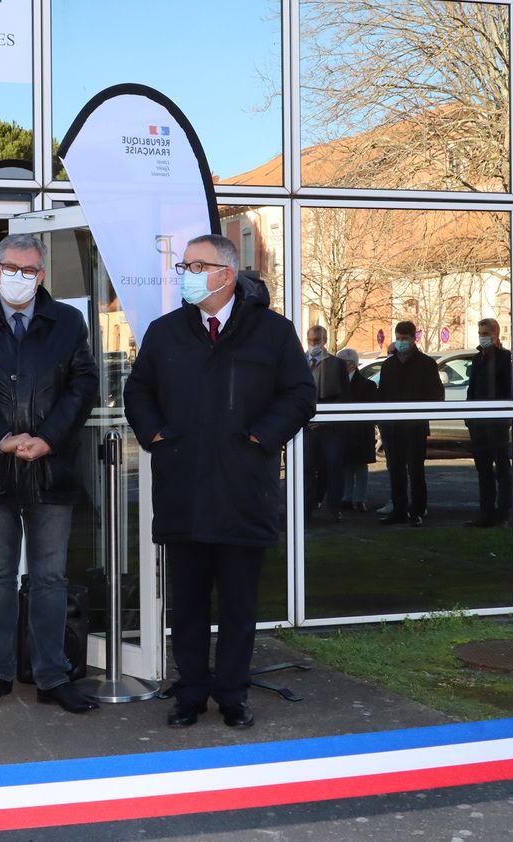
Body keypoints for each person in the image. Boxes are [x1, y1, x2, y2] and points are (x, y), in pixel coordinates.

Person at [123, 234, 313, 730]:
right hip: (183, 489)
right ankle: (190, 693)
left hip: (241, 490)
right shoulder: (166, 332)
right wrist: (156, 434)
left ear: (226, 275)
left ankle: (232, 694)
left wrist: (259, 438)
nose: (185, 274)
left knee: (238, 605)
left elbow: (300, 394)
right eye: (184, 266)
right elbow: (138, 390)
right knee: (186, 604)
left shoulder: (272, 332)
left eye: (195, 266)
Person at [0, 234, 99, 714]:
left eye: (29, 270)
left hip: (51, 469)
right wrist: (2, 438)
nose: (19, 277)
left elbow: (83, 385)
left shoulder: (67, 321)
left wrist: (47, 438)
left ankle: (52, 675)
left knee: (49, 578)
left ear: (41, 274)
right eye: (11, 268)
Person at [377, 321, 442, 526]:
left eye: (405, 338)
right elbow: (382, 394)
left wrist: (420, 411)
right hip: (392, 427)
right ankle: (399, 510)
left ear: (414, 339)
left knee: (415, 470)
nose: (401, 342)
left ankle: (417, 511)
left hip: (415, 426)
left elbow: (436, 394)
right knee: (395, 470)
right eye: (398, 338)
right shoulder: (388, 365)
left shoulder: (426, 364)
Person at [464, 318, 512, 527]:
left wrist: (506, 418)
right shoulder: (477, 358)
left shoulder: (505, 358)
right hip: (478, 423)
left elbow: (509, 389)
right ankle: (486, 514)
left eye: (486, 334)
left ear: (495, 334)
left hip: (497, 423)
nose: (482, 337)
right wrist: (469, 417)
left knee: (502, 470)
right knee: (483, 470)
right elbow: (472, 389)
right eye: (480, 333)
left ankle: (503, 514)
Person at [305, 325, 348, 522]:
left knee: (334, 466)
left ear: (324, 341)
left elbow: (344, 397)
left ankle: (334, 508)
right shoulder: (299, 362)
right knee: (306, 468)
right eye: (310, 340)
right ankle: (305, 508)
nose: (313, 344)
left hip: (330, 427)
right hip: (305, 427)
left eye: (317, 341)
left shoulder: (336, 364)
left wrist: (325, 419)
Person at [337, 348, 378, 511]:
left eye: (342, 363)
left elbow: (372, 409)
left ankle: (360, 498)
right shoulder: (336, 383)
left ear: (352, 364)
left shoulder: (367, 385)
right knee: (345, 465)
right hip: (343, 430)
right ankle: (346, 498)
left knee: (360, 466)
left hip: (361, 431)